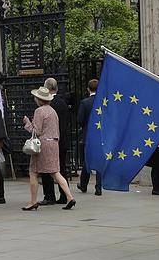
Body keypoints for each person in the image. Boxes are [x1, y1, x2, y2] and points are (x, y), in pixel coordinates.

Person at [22, 86, 76, 211]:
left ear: (38, 99)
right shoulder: (52, 111)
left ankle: (32, 201)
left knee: (34, 172)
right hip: (54, 143)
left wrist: (27, 123)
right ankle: (69, 197)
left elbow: (37, 131)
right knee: (55, 172)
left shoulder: (39, 111)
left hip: (43, 144)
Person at [40, 77, 71, 205]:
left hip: (50, 140)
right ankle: (64, 195)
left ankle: (49, 195)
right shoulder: (62, 103)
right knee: (61, 169)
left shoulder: (48, 105)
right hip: (62, 140)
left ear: (46, 88)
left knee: (46, 169)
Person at [76, 79, 101, 195]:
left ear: (88, 89)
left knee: (87, 161)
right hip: (101, 136)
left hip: (88, 136)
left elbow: (80, 120)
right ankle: (98, 187)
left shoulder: (85, 102)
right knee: (100, 160)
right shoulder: (103, 102)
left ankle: (83, 185)